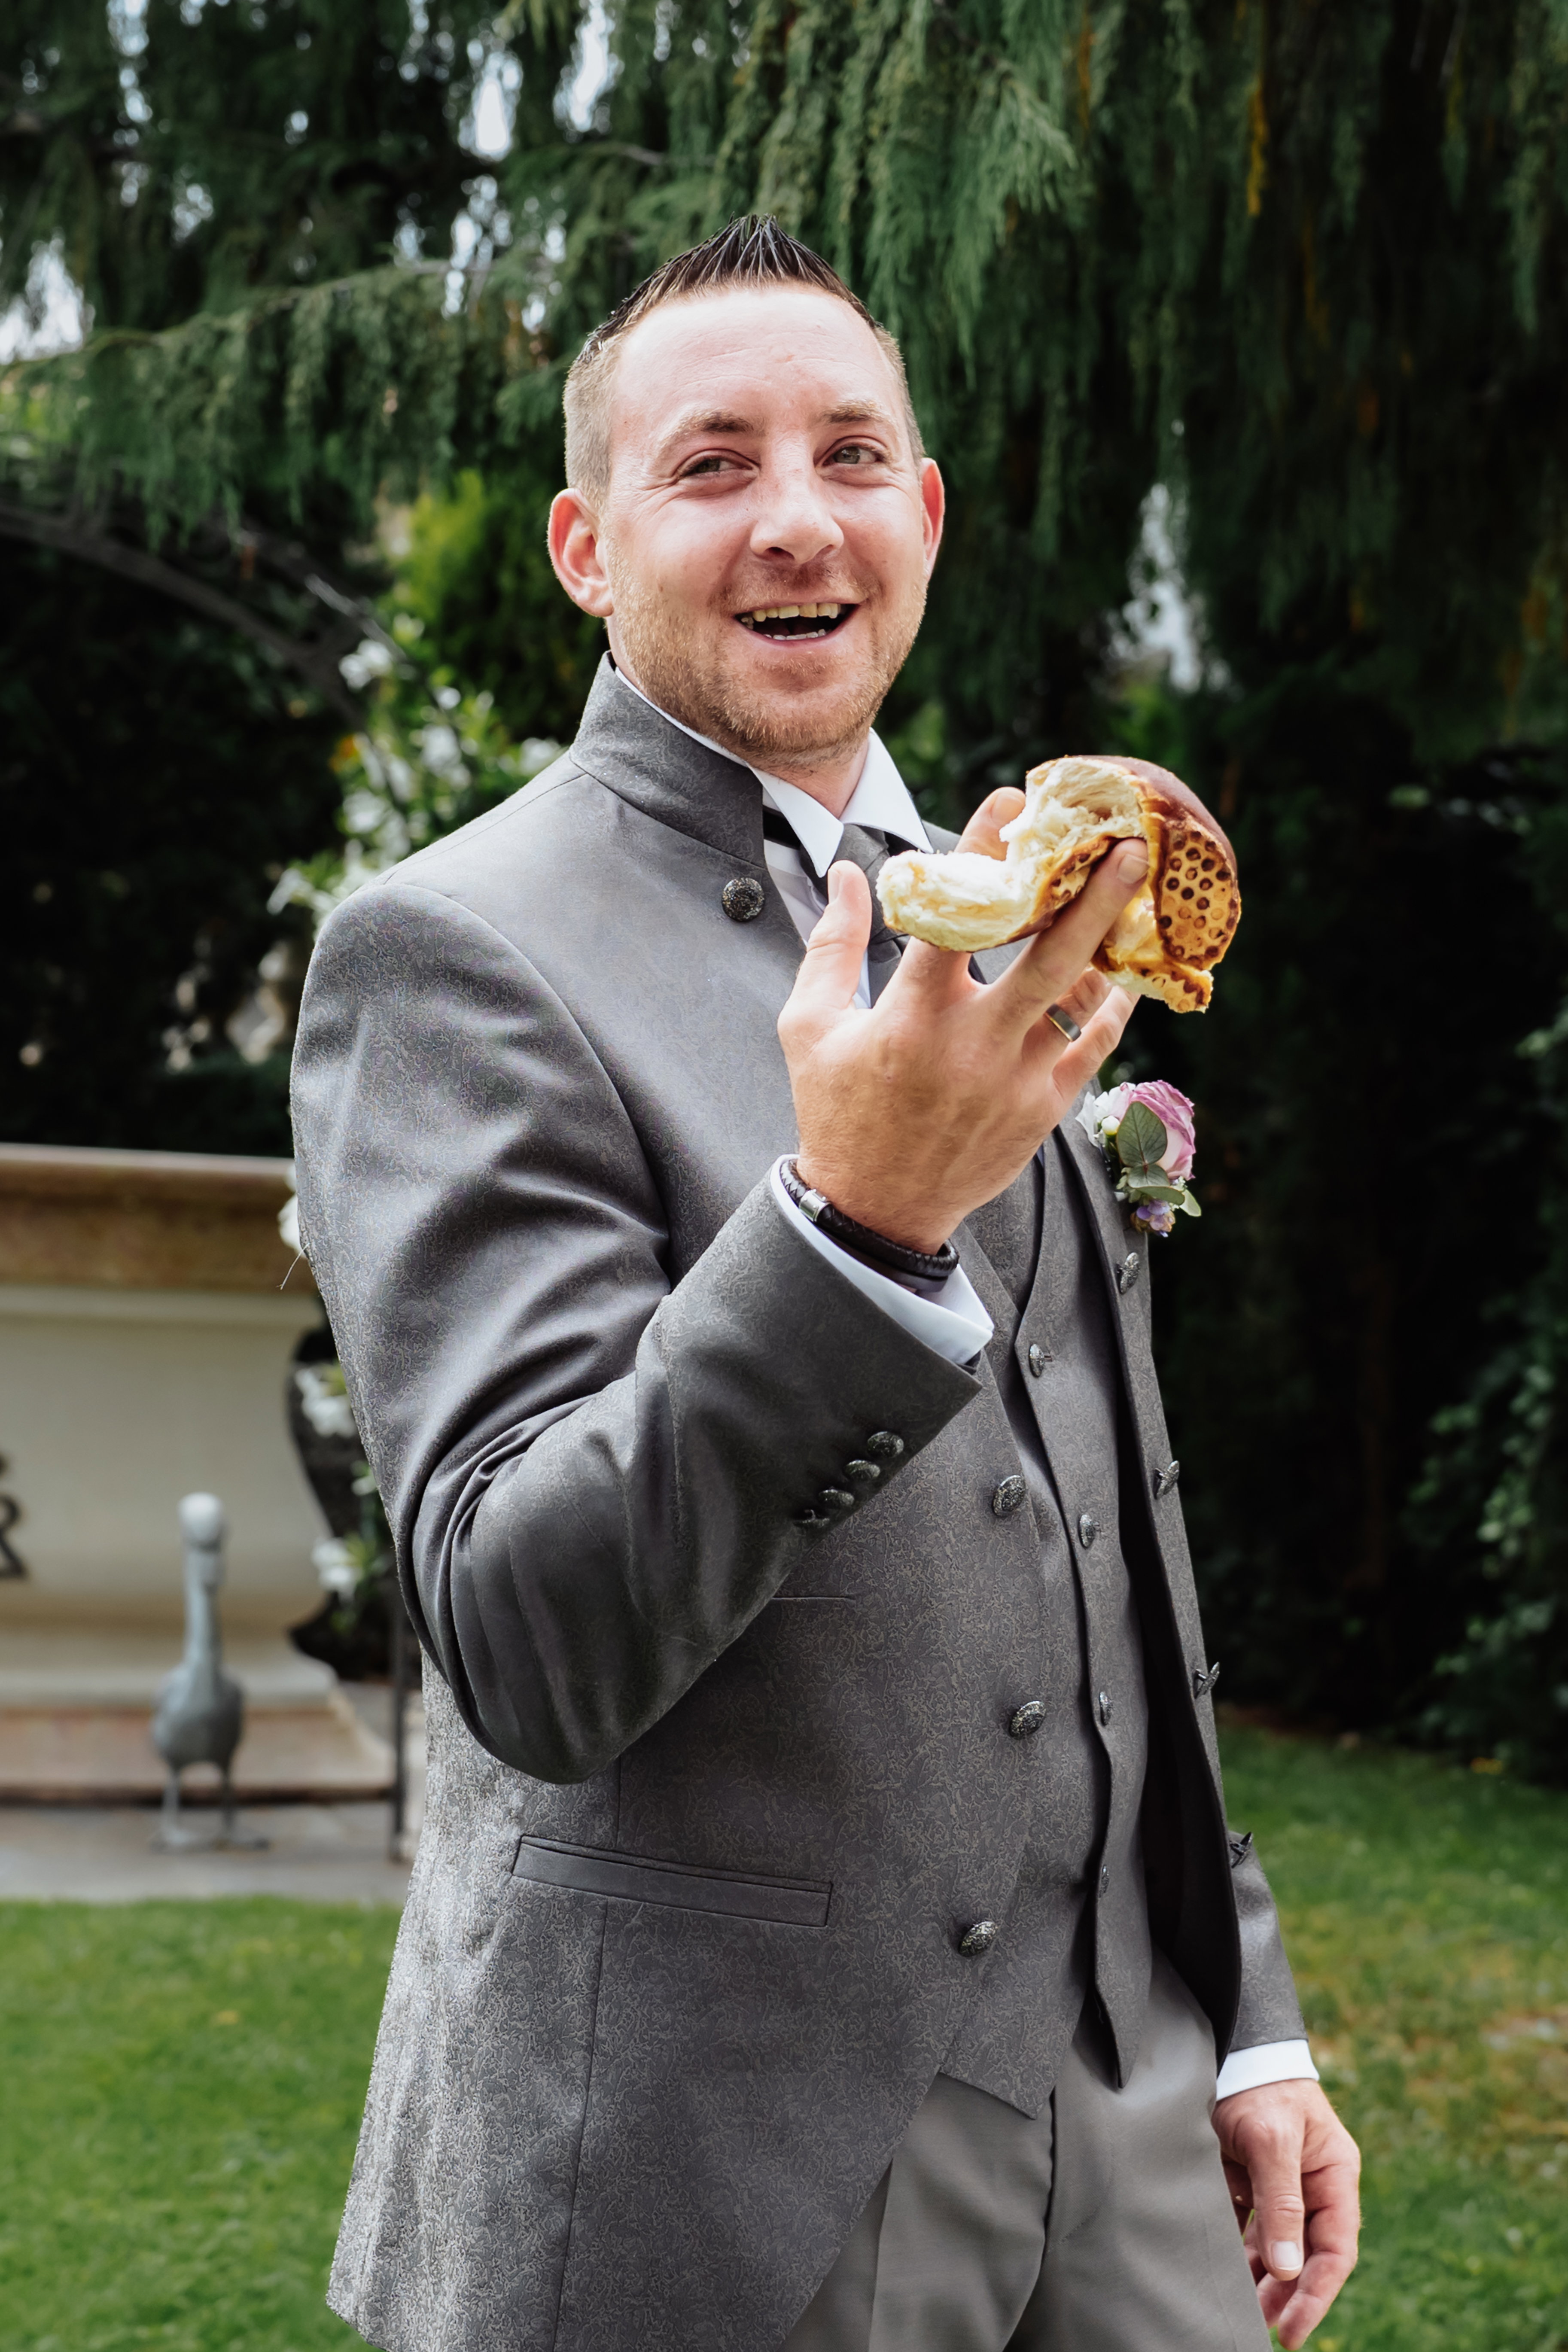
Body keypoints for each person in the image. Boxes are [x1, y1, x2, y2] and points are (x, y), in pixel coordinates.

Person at [292, 215, 1360, 2352]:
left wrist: (1236, 2005)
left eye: (850, 453)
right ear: (590, 548)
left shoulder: (1029, 902)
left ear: (927, 512)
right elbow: (526, 1632)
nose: (798, 519)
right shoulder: (454, 950)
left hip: (1125, 2108)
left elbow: (1108, 1520)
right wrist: (847, 1231)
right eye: (712, 466)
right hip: (721, 2151)